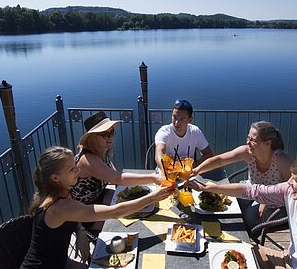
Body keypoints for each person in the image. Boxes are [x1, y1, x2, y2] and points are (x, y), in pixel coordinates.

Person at [186, 154, 297, 269]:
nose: (289, 181)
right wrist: (210, 187)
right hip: (287, 258)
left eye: (296, 180)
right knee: (229, 252)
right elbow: (252, 191)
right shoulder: (291, 193)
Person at [21, 146, 173, 269]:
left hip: (60, 262)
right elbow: (116, 212)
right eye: (72, 169)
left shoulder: (60, 193)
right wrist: (153, 197)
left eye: (75, 165)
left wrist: (80, 231)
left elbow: (74, 216)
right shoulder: (60, 206)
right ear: (55, 178)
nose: (78, 171)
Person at [191, 121, 292, 230]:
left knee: (246, 221)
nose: (248, 142)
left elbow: (292, 190)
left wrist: (266, 201)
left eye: (253, 140)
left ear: (268, 143)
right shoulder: (248, 152)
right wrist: (196, 170)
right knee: (221, 205)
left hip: (275, 206)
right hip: (250, 192)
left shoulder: (281, 160)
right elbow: (220, 160)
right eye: (248, 138)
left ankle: (249, 243)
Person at [70, 111, 161, 206]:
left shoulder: (100, 152)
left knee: (140, 202)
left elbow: (116, 176)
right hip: (82, 207)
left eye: (112, 132)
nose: (110, 137)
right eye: (105, 134)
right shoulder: (88, 159)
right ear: (92, 137)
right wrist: (153, 178)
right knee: (135, 206)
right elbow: (118, 178)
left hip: (98, 196)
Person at [154, 99, 221, 179]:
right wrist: (166, 172)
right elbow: (159, 154)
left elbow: (208, 154)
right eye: (174, 117)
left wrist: (195, 164)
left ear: (190, 120)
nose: (176, 122)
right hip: (166, 174)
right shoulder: (164, 132)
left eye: (182, 119)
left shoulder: (195, 132)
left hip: (187, 175)